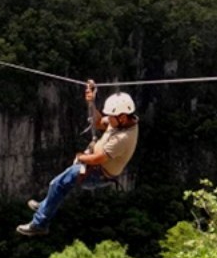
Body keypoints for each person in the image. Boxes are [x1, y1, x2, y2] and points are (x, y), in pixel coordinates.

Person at [16, 85, 139, 236]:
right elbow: (99, 122)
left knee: (57, 184)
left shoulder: (124, 138)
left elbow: (98, 159)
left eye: (112, 117)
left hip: (97, 174)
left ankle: (39, 224)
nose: (109, 119)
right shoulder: (121, 122)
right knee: (57, 186)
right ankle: (45, 206)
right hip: (95, 168)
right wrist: (91, 102)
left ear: (122, 117)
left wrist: (81, 157)